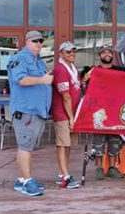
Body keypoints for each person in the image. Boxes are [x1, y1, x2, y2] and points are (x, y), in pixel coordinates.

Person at [8, 30, 53, 196]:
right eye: (35, 41)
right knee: (25, 147)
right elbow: (20, 80)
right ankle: (27, 181)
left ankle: (21, 180)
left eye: (41, 41)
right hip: (25, 111)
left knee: (27, 146)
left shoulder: (39, 60)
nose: (39, 44)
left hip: (37, 111)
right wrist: (42, 80)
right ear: (27, 42)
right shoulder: (20, 59)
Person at [82, 45, 125, 180]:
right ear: (99, 56)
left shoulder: (120, 71)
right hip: (98, 112)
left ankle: (112, 168)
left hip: (115, 111)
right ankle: (99, 169)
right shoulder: (93, 71)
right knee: (98, 143)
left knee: (114, 141)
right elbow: (82, 87)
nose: (107, 54)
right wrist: (85, 80)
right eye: (103, 52)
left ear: (113, 55)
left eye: (109, 52)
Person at [51, 41, 82, 189]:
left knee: (68, 144)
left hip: (72, 112)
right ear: (61, 53)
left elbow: (75, 87)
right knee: (62, 145)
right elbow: (66, 96)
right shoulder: (61, 69)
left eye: (73, 51)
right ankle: (64, 176)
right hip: (63, 113)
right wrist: (70, 117)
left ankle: (63, 173)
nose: (71, 54)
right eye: (68, 52)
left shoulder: (72, 68)